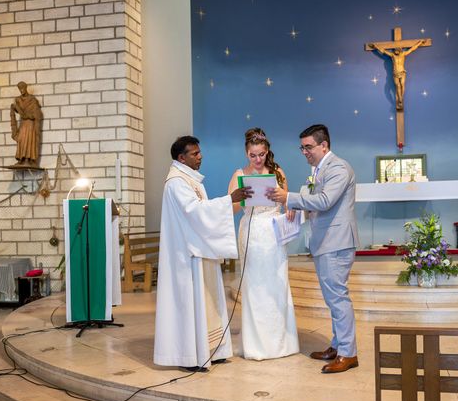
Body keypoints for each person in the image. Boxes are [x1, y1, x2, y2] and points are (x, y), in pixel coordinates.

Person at [266, 124, 359, 374]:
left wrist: (289, 198)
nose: (304, 152)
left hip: (336, 242)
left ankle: (348, 353)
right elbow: (316, 203)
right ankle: (338, 345)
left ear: (324, 145)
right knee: (332, 298)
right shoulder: (319, 170)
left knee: (338, 298)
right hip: (326, 240)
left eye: (308, 147)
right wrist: (295, 208)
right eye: (302, 148)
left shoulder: (338, 167)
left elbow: (325, 201)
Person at [154, 136, 252, 371]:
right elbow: (195, 212)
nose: (200, 156)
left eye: (199, 152)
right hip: (187, 256)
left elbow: (200, 214)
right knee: (192, 302)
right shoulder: (177, 182)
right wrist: (229, 199)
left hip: (198, 250)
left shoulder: (190, 180)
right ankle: (191, 355)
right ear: (181, 158)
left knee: (207, 300)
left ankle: (212, 349)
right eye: (195, 153)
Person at [227, 128, 299, 361]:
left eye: (262, 154)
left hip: (274, 233)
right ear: (246, 153)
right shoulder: (240, 173)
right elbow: (232, 208)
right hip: (252, 232)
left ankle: (281, 343)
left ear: (267, 151)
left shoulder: (277, 171)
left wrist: (287, 207)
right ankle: (256, 345)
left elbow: (288, 201)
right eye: (253, 155)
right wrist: (241, 197)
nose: (258, 160)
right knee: (255, 286)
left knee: (276, 284)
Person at [374, 40, 424, 111]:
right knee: (397, 86)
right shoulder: (392, 55)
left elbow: (412, 49)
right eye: (395, 50)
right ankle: (399, 99)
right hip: (395, 73)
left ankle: (400, 99)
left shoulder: (403, 54)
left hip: (402, 72)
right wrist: (376, 46)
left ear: (400, 50)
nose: (395, 51)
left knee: (402, 85)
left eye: (397, 50)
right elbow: (383, 51)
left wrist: (419, 43)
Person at [10, 81, 43, 167]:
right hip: (23, 123)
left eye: (22, 89)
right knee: (21, 139)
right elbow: (19, 110)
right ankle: (21, 159)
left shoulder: (32, 99)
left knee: (29, 140)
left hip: (30, 123)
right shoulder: (18, 99)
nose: (21, 91)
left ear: (25, 88)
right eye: (20, 89)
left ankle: (28, 159)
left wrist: (29, 115)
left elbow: (36, 113)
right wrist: (14, 108)